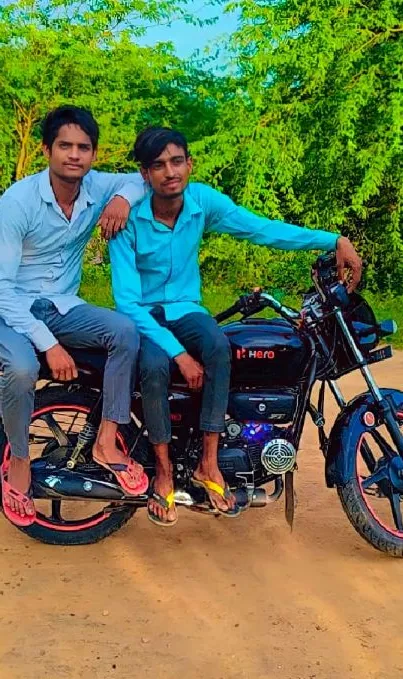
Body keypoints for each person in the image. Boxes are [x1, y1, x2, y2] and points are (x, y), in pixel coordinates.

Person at [109, 126, 362, 527]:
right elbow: (126, 301)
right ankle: (162, 470)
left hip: (186, 308)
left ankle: (208, 464)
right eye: (158, 165)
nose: (169, 172)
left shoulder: (201, 202)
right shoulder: (126, 221)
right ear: (144, 174)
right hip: (144, 314)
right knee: (155, 367)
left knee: (219, 345)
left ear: (190, 164)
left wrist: (332, 240)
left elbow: (261, 229)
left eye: (177, 162)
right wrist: (179, 355)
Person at [0, 105, 149, 528]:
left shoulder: (98, 187)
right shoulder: (17, 202)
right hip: (9, 305)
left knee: (125, 331)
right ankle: (21, 463)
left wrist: (121, 199)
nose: (74, 155)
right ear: (47, 149)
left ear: (93, 155)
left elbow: (142, 180)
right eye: (64, 145)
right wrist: (49, 343)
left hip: (60, 303)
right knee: (25, 366)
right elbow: (1, 287)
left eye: (83, 147)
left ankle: (106, 441)